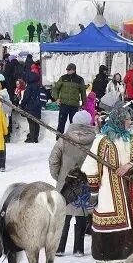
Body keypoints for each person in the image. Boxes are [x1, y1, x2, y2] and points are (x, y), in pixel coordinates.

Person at [82, 109, 133, 263]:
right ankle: (111, 257)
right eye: (126, 119)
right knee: (112, 216)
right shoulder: (102, 140)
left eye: (130, 119)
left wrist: (131, 165)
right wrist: (93, 190)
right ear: (118, 120)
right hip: (108, 189)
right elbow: (90, 166)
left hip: (132, 185)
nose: (130, 122)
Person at [51, 109, 97, 255]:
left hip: (66, 184)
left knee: (64, 215)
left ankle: (59, 247)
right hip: (85, 184)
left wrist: (58, 177)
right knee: (82, 213)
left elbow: (53, 160)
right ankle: (78, 249)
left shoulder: (64, 138)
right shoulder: (95, 141)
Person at [53, 63, 85, 133]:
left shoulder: (80, 79)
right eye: (67, 70)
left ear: (73, 70)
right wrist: (56, 98)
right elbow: (55, 88)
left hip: (74, 105)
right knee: (61, 123)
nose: (67, 71)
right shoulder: (63, 78)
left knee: (73, 124)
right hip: (63, 104)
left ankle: (73, 140)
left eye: (68, 70)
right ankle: (58, 139)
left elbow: (83, 92)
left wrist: (84, 104)